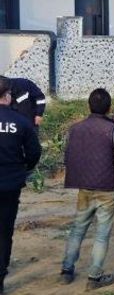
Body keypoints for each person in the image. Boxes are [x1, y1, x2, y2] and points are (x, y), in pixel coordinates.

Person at [59, 88, 114, 291]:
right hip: (109, 187)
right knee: (102, 234)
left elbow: (69, 155)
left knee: (77, 229)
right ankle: (94, 277)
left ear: (89, 106)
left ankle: (66, 271)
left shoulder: (75, 129)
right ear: (109, 108)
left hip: (85, 187)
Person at [0, 76, 41, 295]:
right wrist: (24, 169)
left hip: (10, 183)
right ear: (7, 95)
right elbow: (34, 152)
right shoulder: (21, 121)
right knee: (4, 232)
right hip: (9, 185)